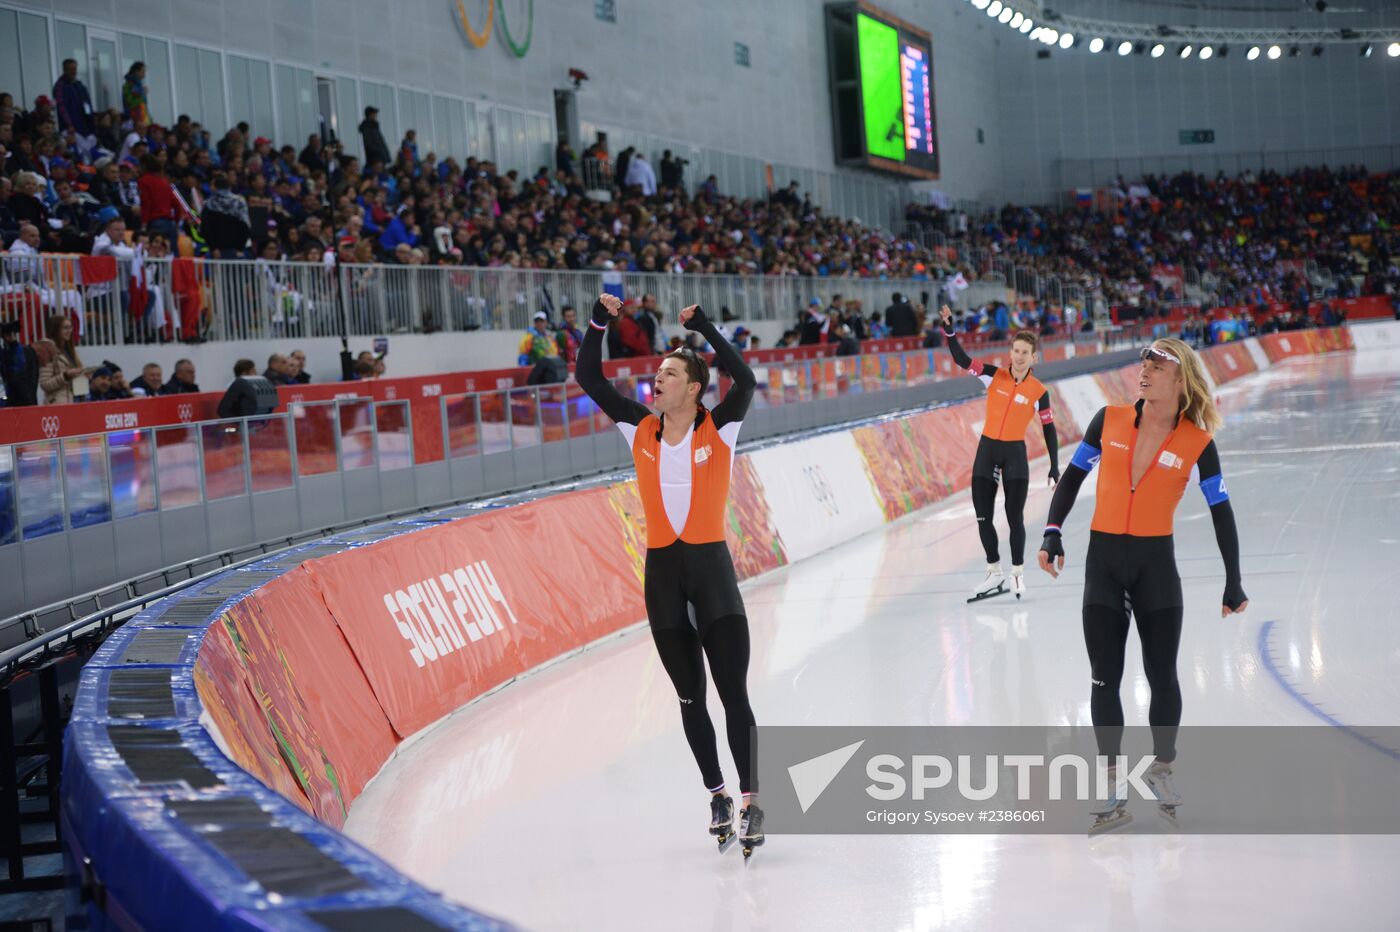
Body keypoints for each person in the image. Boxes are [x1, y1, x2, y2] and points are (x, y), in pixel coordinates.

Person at [576, 293, 766, 857]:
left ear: (693, 387)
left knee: (733, 694)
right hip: (663, 578)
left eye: (668, 375)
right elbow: (588, 374)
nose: (655, 382)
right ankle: (718, 795)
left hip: (713, 575)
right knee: (690, 699)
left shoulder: (721, 427)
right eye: (656, 374)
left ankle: (753, 799)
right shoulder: (638, 427)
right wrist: (599, 321)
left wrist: (703, 327)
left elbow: (746, 380)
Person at [1037, 339, 1247, 830]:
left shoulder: (1197, 441)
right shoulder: (1107, 420)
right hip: (1103, 565)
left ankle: (1162, 767)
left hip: (1156, 568)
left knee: (1163, 676)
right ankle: (1111, 782)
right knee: (1103, 677)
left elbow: (1222, 513)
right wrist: (1052, 531)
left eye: (1157, 367)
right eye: (1143, 365)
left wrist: (1232, 581)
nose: (1145, 372)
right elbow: (1071, 478)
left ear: (1180, 378)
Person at [939, 305, 1059, 601]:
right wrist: (950, 331)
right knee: (983, 516)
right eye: (1015, 351)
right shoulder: (993, 376)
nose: (1018, 356)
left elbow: (1049, 429)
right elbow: (962, 359)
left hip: (1014, 454)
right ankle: (994, 572)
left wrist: (1055, 465)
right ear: (1010, 353)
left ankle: (1017, 573)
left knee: (1014, 516)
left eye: (1024, 353)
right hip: (987, 450)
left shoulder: (1039, 391)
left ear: (1034, 358)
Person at [0, 320, 39, 407]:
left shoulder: (24, 352)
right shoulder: (7, 352)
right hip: (15, 398)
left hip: (23, 398)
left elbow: (22, 373)